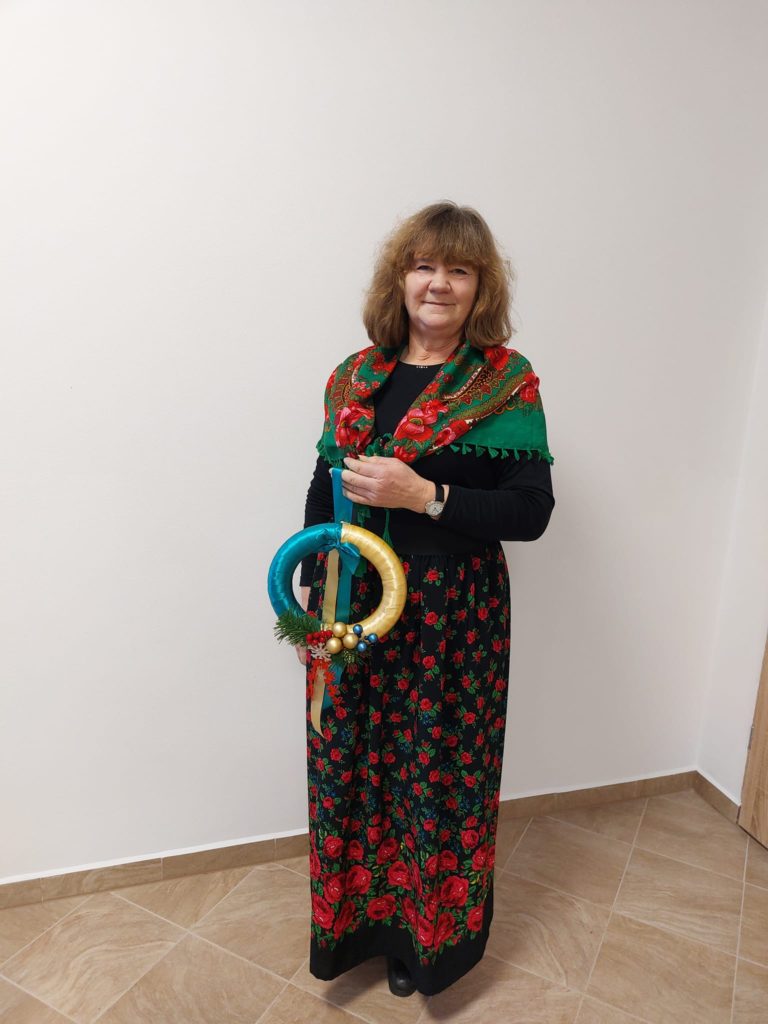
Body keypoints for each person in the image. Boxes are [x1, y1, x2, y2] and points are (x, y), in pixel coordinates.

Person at [296, 201, 554, 997]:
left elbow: (531, 511)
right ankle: (355, 931)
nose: (439, 283)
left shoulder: (505, 382)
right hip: (355, 602)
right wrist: (311, 594)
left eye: (459, 269)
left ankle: (425, 947)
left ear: (481, 287)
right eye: (424, 265)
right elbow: (323, 486)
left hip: (454, 617)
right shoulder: (354, 377)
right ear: (400, 279)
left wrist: (425, 494)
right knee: (350, 765)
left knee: (436, 778)